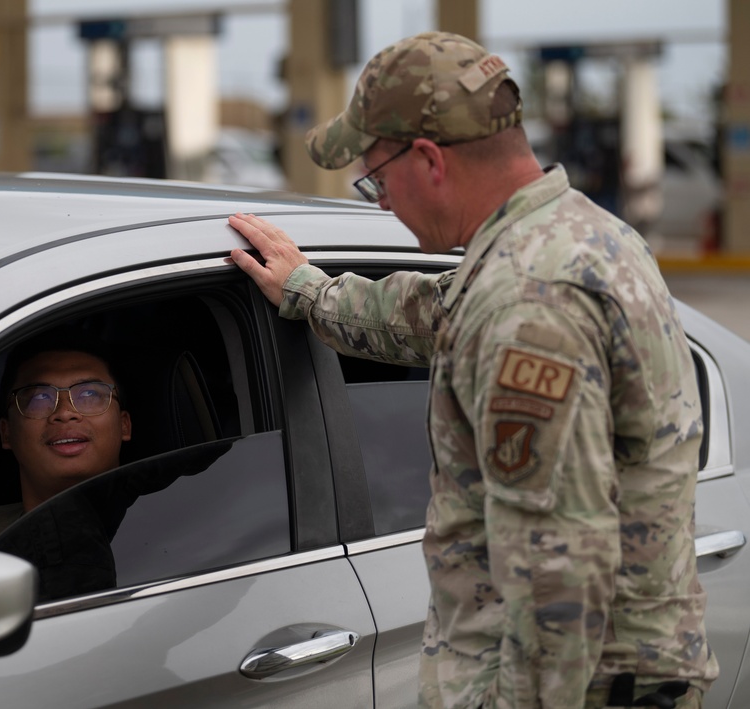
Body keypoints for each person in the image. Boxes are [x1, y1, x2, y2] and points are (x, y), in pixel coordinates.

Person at [227, 31, 717, 709]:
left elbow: (555, 570)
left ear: (428, 159)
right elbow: (441, 310)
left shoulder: (529, 299)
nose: (380, 203)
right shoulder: (577, 235)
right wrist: (309, 290)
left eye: (376, 178)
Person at [0, 329, 133, 547]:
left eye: (89, 394)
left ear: (124, 425)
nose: (64, 412)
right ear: (6, 433)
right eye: (39, 397)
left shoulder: (167, 528)